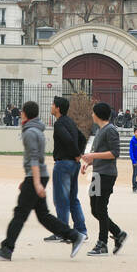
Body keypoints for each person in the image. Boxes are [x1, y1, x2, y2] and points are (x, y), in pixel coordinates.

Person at [0, 101, 86, 260]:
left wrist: (34, 182)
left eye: (21, 112)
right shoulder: (37, 130)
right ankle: (74, 235)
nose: (20, 114)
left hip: (36, 177)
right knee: (43, 216)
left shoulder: (29, 132)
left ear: (25, 114)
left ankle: (7, 248)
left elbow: (34, 159)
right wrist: (30, 179)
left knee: (20, 213)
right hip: (38, 175)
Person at [80, 102, 127, 256]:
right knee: (95, 209)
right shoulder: (100, 130)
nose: (92, 115)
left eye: (93, 113)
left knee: (101, 208)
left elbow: (114, 153)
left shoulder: (111, 130)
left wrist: (92, 156)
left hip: (107, 174)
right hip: (98, 174)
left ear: (98, 114)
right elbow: (100, 153)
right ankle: (118, 233)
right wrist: (88, 163)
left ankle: (102, 243)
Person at [46, 96, 88, 243]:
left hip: (63, 164)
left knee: (61, 199)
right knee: (72, 199)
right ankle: (81, 230)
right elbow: (82, 138)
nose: (51, 106)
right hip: (73, 165)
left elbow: (68, 140)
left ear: (57, 108)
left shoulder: (59, 124)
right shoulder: (70, 122)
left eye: (52, 104)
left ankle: (62, 232)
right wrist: (79, 154)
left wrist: (77, 154)